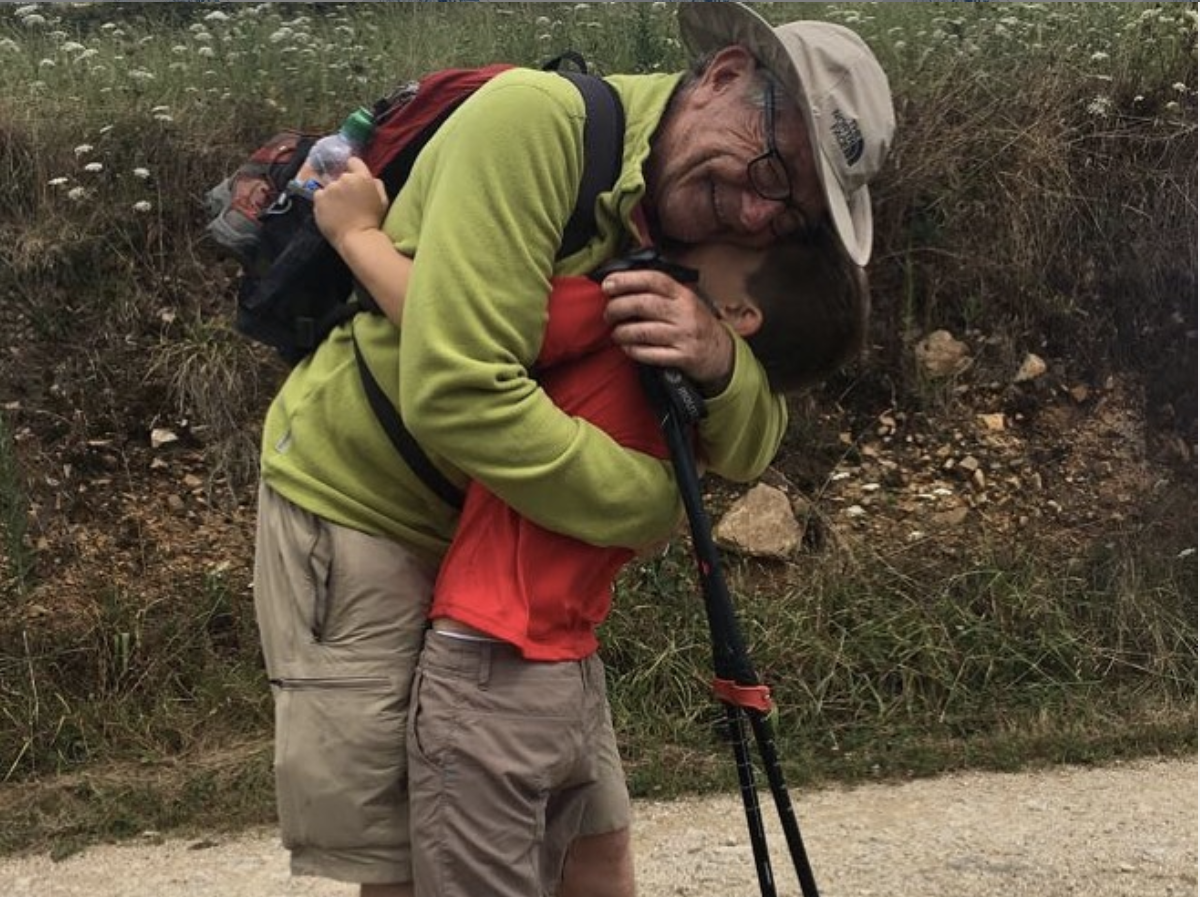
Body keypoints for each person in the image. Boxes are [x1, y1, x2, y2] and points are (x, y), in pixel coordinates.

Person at [252, 3, 894, 896]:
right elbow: (461, 392)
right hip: (368, 512)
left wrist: (716, 357)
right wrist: (659, 505)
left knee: (593, 847)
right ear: (721, 77)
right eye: (772, 165)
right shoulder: (535, 128)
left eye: (790, 213)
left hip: (515, 572)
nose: (757, 212)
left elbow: (751, 440)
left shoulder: (704, 238)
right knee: (411, 860)